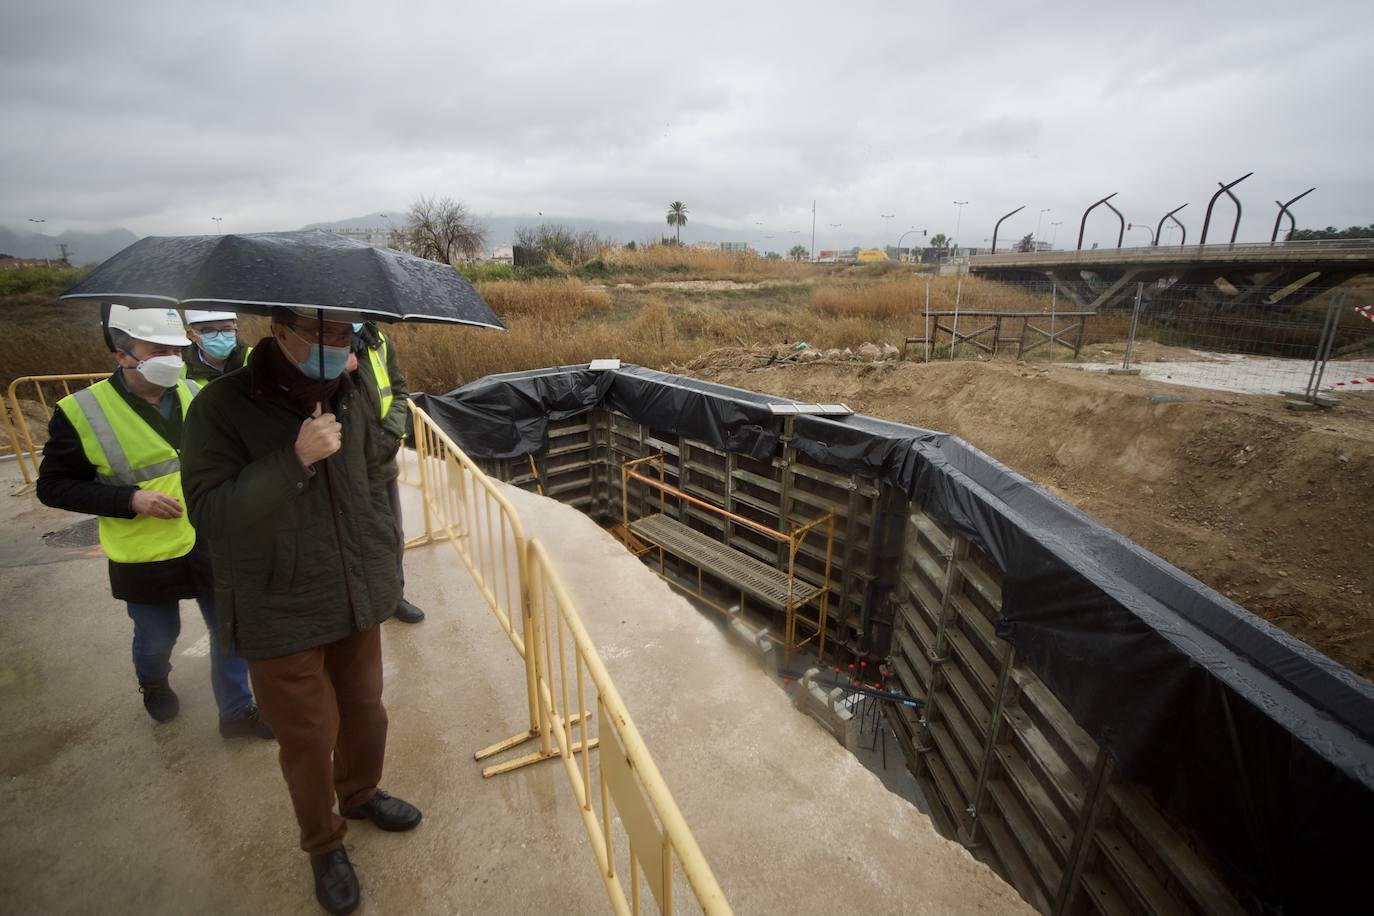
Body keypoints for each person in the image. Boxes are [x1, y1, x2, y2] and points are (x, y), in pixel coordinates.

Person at [180, 307, 420, 916]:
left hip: (353, 590)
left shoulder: (353, 389)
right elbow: (210, 511)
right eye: (324, 333)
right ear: (280, 331)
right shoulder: (221, 407)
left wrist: (383, 569)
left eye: (346, 335)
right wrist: (295, 458)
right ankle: (323, 842)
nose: (337, 346)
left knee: (366, 712)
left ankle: (361, 794)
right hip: (278, 601)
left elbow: (370, 482)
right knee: (309, 736)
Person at [36, 305, 271, 739]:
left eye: (177, 349)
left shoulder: (196, 395)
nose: (172, 358)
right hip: (144, 552)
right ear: (122, 354)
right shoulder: (80, 411)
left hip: (208, 541)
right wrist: (130, 498)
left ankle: (236, 712)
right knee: (157, 636)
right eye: (158, 349)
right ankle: (153, 679)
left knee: (229, 630)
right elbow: (53, 487)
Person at [350, 320, 424, 624]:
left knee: (392, 533)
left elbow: (397, 390)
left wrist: (390, 435)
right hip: (340, 462)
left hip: (381, 459)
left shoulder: (378, 340)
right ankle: (358, 600)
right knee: (351, 536)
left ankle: (394, 596)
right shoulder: (317, 347)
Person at [182, 309, 251, 381]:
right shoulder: (180, 368)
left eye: (226, 329)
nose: (220, 338)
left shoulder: (255, 358)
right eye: (209, 331)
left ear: (236, 331)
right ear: (192, 335)